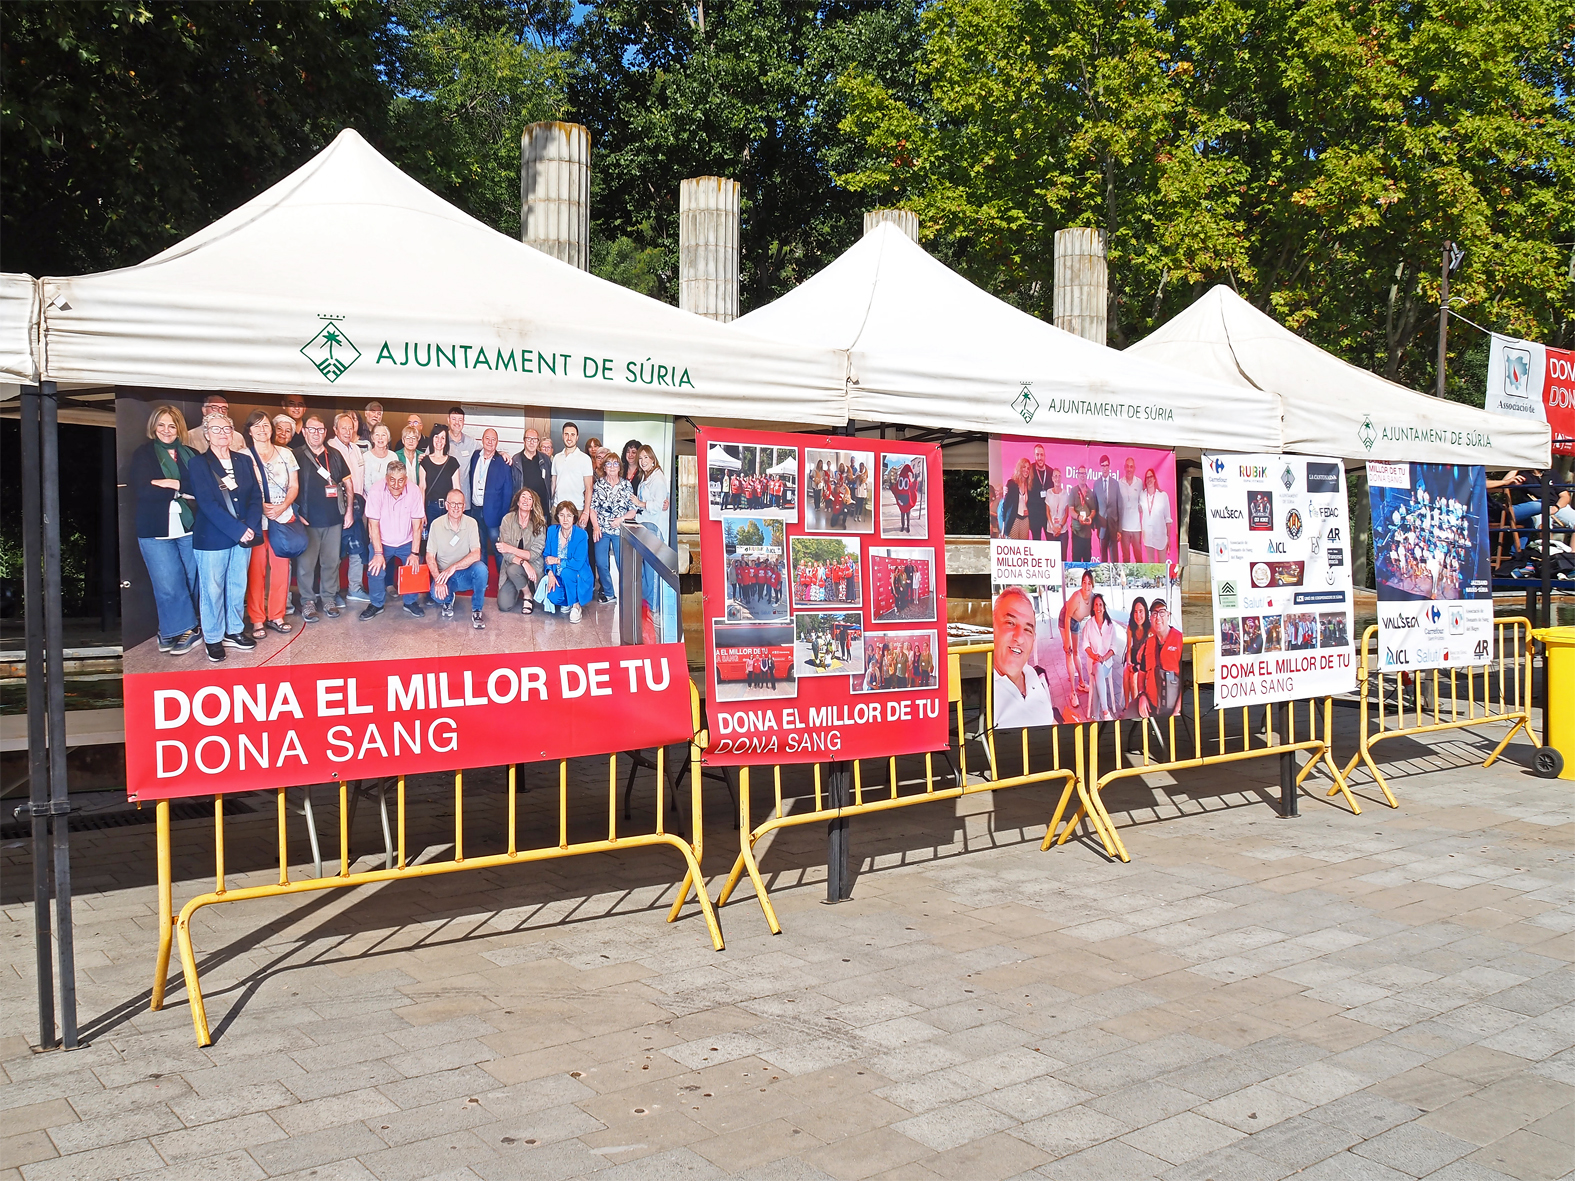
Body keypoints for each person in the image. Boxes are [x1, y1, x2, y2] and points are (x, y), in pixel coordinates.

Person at [188, 413, 262, 662]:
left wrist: (250, 526)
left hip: (244, 535)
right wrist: (238, 530)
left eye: (227, 428)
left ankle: (234, 630)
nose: (222, 433)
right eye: (216, 429)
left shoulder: (243, 460)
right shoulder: (199, 464)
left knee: (236, 585)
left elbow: (254, 497)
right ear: (207, 434)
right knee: (212, 589)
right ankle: (213, 637)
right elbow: (207, 504)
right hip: (212, 537)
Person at [129, 405, 202, 654]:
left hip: (190, 526)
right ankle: (183, 629)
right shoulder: (143, 454)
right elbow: (143, 489)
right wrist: (182, 489)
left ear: (179, 428)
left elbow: (200, 489)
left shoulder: (191, 454)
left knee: (193, 578)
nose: (166, 430)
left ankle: (176, 629)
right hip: (155, 529)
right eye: (161, 425)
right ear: (153, 427)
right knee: (168, 582)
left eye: (172, 425)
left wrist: (170, 484)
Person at [241, 410, 299, 639]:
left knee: (281, 570)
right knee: (256, 572)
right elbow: (241, 489)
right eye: (257, 426)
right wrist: (261, 506)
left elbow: (294, 485)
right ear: (249, 430)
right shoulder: (242, 455)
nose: (262, 430)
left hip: (282, 519)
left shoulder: (286, 454)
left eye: (266, 425)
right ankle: (257, 619)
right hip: (256, 521)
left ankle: (277, 615)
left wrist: (283, 506)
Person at [294, 415, 352, 622]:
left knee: (331, 562)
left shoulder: (335, 455)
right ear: (304, 431)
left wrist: (349, 512)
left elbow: (348, 485)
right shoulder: (296, 455)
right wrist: (296, 513)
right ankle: (308, 601)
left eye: (320, 429)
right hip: (307, 520)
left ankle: (328, 598)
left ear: (325, 432)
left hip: (334, 519)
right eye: (312, 429)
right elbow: (289, 487)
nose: (316, 433)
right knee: (306, 565)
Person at [360, 459, 427, 619]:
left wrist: (414, 553)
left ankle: (410, 602)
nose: (396, 485)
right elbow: (373, 525)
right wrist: (377, 553)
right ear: (386, 478)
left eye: (400, 480)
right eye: (392, 480)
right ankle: (376, 604)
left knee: (414, 566)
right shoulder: (376, 491)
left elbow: (417, 525)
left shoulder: (414, 491)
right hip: (382, 541)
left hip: (406, 540)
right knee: (375, 570)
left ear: (406, 479)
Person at [992, 587, 1055, 727]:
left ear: (1034, 640)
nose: (1019, 638)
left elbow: (1050, 720)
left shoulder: (1030, 673)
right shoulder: (985, 689)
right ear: (993, 628)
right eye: (1010, 623)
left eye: (1028, 629)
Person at [426, 489, 488, 627]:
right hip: (444, 576)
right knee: (437, 595)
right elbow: (430, 556)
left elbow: (476, 554)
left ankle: (477, 608)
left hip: (465, 572)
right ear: (446, 505)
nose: (456, 507)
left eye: (459, 504)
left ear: (464, 506)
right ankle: (448, 600)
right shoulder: (436, 524)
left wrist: (453, 567)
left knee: (481, 569)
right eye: (453, 504)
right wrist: (438, 580)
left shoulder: (471, 523)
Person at [329, 411, 368, 601]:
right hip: (338, 508)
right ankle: (333, 591)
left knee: (356, 549)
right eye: (343, 428)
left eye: (350, 428)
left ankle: (355, 588)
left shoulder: (356, 448)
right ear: (335, 429)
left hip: (358, 507)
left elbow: (361, 478)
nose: (347, 431)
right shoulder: (330, 449)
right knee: (336, 552)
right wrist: (347, 510)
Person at [589, 452, 637, 603]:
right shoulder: (599, 485)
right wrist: (596, 526)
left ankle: (627, 595)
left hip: (619, 530)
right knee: (601, 563)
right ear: (604, 467)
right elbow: (593, 508)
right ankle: (609, 593)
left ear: (620, 467)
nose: (611, 467)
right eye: (608, 463)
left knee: (622, 564)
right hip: (602, 530)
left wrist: (621, 519)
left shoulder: (626, 485)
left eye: (615, 463)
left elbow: (633, 510)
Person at [541, 499, 594, 622]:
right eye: (562, 515)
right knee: (552, 596)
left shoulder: (581, 535)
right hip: (558, 576)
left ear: (574, 518)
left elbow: (577, 563)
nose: (565, 519)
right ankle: (568, 601)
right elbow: (547, 556)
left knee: (566, 572)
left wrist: (557, 561)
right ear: (557, 517)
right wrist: (550, 574)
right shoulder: (552, 531)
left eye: (569, 516)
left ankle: (575, 605)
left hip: (578, 575)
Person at [467, 428, 512, 571]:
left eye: (493, 439)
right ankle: (483, 578)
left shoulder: (502, 462)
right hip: (475, 510)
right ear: (482, 440)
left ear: (497, 442)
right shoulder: (475, 456)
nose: (490, 442)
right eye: (487, 438)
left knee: (498, 548)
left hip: (494, 515)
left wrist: (503, 516)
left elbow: (508, 492)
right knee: (479, 547)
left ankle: (502, 579)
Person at [496, 487, 546, 613]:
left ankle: (527, 594)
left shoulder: (540, 523)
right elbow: (505, 552)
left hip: (534, 565)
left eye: (530, 499)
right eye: (523, 496)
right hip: (513, 566)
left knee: (513, 569)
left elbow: (535, 554)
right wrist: (523, 563)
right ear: (518, 501)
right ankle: (527, 592)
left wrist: (509, 548)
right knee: (504, 604)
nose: (526, 500)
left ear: (532, 505)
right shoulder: (507, 519)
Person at [635, 445, 671, 608]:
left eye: (646, 458)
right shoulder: (646, 476)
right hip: (644, 524)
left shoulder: (657, 478)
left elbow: (657, 505)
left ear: (653, 458)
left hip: (654, 527)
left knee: (652, 568)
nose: (643, 461)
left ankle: (653, 604)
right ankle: (646, 600)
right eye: (640, 458)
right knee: (645, 566)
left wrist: (639, 503)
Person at [1059, 568, 1096, 709]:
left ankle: (1081, 682)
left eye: (1089, 583)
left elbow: (1093, 618)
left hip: (1076, 622)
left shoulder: (1093, 598)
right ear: (1081, 584)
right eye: (1084, 583)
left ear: (1092, 585)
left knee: (1076, 653)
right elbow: (1068, 617)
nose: (1086, 586)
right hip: (1065, 620)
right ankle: (1072, 692)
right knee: (1068, 653)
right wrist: (1067, 640)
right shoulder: (1076, 597)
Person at [1081, 594, 1119, 721]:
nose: (1098, 607)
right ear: (1093, 608)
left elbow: (1114, 647)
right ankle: (1105, 711)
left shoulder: (1110, 625)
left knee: (1098, 676)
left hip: (1107, 664)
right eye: (1096, 605)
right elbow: (1085, 645)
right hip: (1093, 662)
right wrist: (1094, 655)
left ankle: (1097, 716)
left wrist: (1104, 658)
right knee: (1096, 667)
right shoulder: (1088, 624)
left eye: (1100, 605)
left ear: (1104, 608)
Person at [552, 421, 595, 526]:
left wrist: (586, 512)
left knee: (575, 541)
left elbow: (589, 488)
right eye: (566, 434)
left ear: (577, 437)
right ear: (562, 436)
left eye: (572, 434)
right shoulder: (557, 457)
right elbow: (553, 484)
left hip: (577, 509)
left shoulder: (585, 459)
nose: (569, 438)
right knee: (556, 541)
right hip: (557, 508)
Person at [1146, 597, 1183, 717]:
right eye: (1154, 613)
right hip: (1151, 705)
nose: (1158, 617)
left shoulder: (1179, 640)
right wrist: (1141, 696)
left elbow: (1186, 679)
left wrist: (1178, 709)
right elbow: (1141, 673)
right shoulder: (1149, 643)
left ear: (1168, 615)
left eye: (1162, 612)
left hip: (1172, 707)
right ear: (1151, 618)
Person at [420, 424, 460, 525]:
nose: (439, 441)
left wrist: (457, 510)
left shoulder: (453, 462)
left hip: (448, 508)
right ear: (432, 439)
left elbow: (457, 489)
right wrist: (421, 511)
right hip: (430, 508)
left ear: (446, 441)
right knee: (433, 538)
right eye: (436, 437)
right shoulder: (425, 461)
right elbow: (422, 488)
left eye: (443, 438)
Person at [511, 428, 553, 521]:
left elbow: (550, 481)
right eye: (528, 439)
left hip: (542, 510)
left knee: (542, 535)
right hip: (523, 510)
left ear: (538, 442)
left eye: (534, 439)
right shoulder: (516, 460)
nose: (531, 442)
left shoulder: (545, 459)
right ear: (524, 441)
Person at [1124, 597, 1152, 716]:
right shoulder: (1131, 627)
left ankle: (1136, 709)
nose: (1138, 615)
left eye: (1141, 611)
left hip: (1145, 660)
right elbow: (1129, 649)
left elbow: (1149, 653)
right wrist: (1129, 663)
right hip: (1134, 657)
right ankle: (1126, 706)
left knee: (1134, 677)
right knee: (1126, 672)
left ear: (1145, 612)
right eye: (1135, 611)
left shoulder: (1150, 629)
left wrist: (1138, 666)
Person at [1140, 468, 1172, 563]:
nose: (1149, 479)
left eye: (1151, 476)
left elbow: (1168, 519)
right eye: (1147, 478)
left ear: (1154, 479)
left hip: (1160, 535)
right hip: (1147, 535)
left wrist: (1168, 538)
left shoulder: (1163, 496)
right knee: (1150, 563)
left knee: (1162, 563)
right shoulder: (1142, 495)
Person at [1091, 454, 1119, 562]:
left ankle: (1115, 576)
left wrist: (1119, 529)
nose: (1105, 468)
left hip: (1113, 526)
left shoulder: (1115, 484)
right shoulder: (1096, 484)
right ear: (1100, 467)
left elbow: (1119, 506)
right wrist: (1095, 524)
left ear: (1109, 466)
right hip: (1101, 527)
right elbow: (1095, 505)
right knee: (1103, 557)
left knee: (1114, 558)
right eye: (1103, 466)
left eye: (1107, 465)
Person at [1067, 469, 1097, 561]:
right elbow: (1071, 510)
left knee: (1087, 560)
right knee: (1076, 559)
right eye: (1080, 473)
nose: (1082, 476)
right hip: (1076, 531)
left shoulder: (1091, 493)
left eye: (1084, 473)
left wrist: (1090, 517)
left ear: (1086, 476)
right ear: (1077, 476)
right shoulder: (1073, 491)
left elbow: (1093, 510)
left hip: (1087, 533)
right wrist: (1078, 517)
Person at [1118, 456, 1143, 563]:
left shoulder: (1140, 483)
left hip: (1136, 527)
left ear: (1134, 468)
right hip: (1124, 528)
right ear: (1124, 467)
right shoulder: (1119, 483)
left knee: (1138, 557)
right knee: (1126, 558)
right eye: (1127, 466)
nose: (1129, 469)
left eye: (1131, 467)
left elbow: (1142, 502)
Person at [998, 457, 1031, 538]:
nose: (1026, 470)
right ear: (1020, 468)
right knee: (1013, 546)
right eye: (1024, 467)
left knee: (1023, 547)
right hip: (1014, 519)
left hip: (1025, 520)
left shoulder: (1030, 486)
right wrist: (1003, 526)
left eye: (1028, 468)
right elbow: (1005, 506)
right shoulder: (1012, 483)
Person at [1027, 444, 1052, 541]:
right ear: (1034, 456)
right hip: (1034, 514)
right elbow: (1019, 481)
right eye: (1037, 455)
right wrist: (1006, 488)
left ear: (1045, 456)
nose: (1039, 458)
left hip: (1047, 514)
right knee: (1036, 542)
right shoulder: (1029, 470)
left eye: (1041, 455)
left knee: (1050, 542)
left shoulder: (1050, 472)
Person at [392, 424, 424, 494]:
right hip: (401, 493)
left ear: (418, 440)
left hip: (418, 493)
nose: (411, 441)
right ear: (403, 440)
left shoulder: (422, 456)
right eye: (408, 438)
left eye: (414, 438)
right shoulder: (396, 456)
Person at [363, 424, 394, 491]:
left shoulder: (393, 456)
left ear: (388, 438)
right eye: (377, 435)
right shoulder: (366, 457)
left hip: (390, 497)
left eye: (383, 435)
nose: (380, 438)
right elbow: (366, 483)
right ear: (372, 438)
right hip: (371, 497)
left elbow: (394, 481)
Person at [892, 462, 918, 533]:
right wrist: (892, 487)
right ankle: (903, 526)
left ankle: (908, 526)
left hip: (907, 501)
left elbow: (912, 487)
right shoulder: (902, 480)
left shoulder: (905, 480)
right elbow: (897, 489)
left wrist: (915, 480)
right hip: (904, 501)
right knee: (903, 515)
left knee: (907, 515)